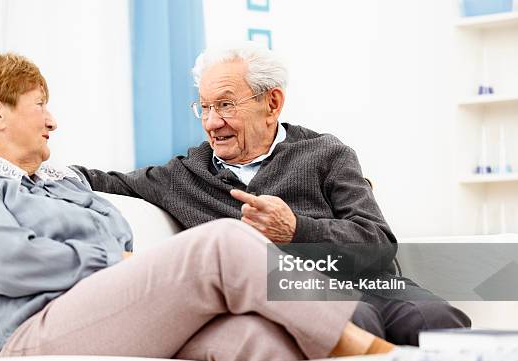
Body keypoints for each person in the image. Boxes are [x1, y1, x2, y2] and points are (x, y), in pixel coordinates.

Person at [0, 50, 395, 361]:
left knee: (257, 340)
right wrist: (111, 261)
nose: (52, 120)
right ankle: (368, 353)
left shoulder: (62, 183)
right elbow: (12, 263)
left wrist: (118, 260)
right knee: (225, 240)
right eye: (40, 105)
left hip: (103, 318)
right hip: (32, 334)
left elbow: (120, 234)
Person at [73, 42, 471, 345]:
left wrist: (296, 229)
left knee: (437, 321)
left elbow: (378, 246)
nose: (212, 122)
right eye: (205, 107)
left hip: (369, 282)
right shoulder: (184, 175)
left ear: (272, 103)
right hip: (293, 297)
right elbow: (102, 181)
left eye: (226, 105)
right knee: (352, 322)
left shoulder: (326, 153)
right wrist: (22, 161)